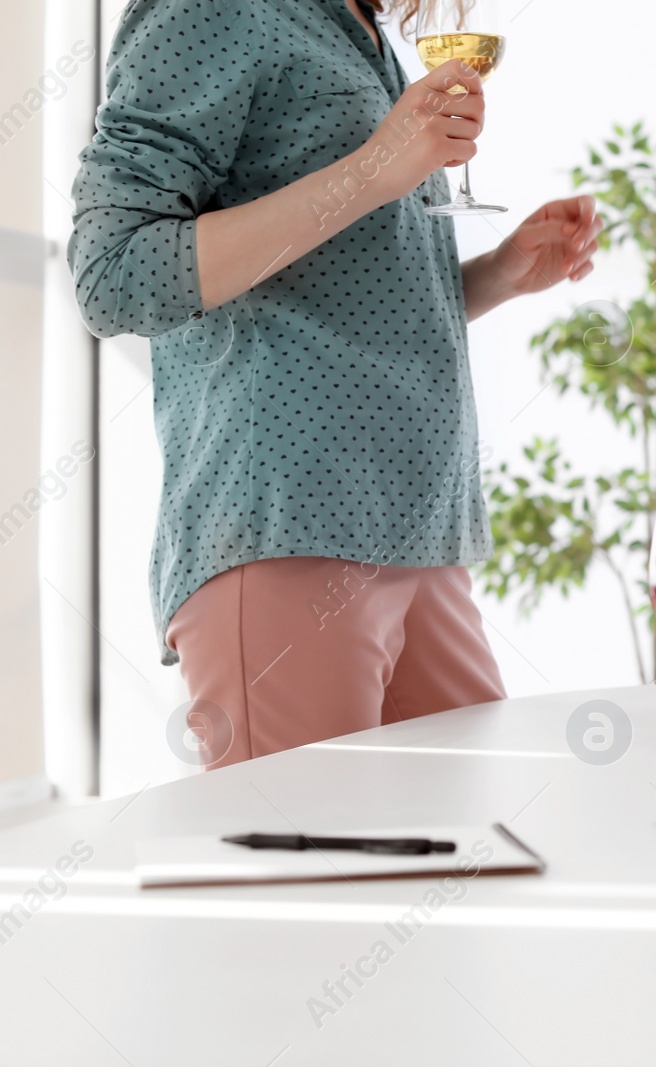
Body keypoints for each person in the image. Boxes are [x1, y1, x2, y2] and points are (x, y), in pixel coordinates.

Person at [69, 0, 601, 767]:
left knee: (470, 867)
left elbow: (346, 293)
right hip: (288, 529)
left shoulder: (357, 25)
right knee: (308, 875)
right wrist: (377, 167)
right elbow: (114, 276)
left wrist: (498, 278)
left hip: (419, 533)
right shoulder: (208, 9)